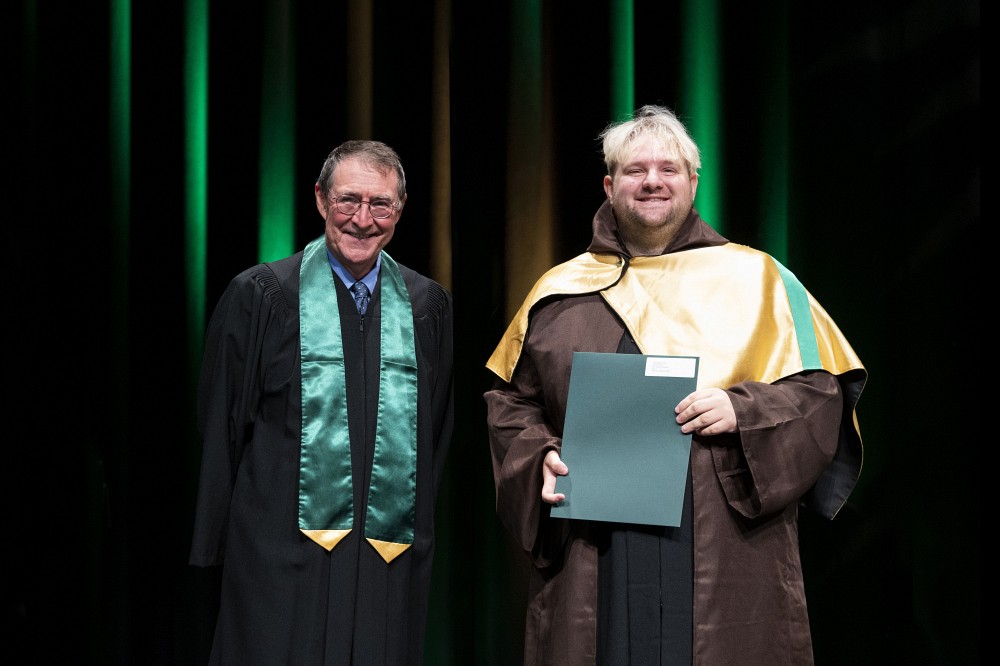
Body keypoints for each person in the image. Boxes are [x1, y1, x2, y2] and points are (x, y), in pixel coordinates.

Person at [484, 105, 867, 664]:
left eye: (669, 169)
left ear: (692, 181)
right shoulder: (560, 292)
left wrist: (744, 411)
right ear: (610, 185)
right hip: (597, 545)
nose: (653, 181)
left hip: (720, 540)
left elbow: (821, 395)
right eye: (636, 170)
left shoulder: (758, 280)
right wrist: (538, 455)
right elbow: (512, 404)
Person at [190, 139, 454, 664]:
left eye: (380, 204)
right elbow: (221, 431)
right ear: (319, 199)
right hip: (277, 558)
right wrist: (212, 551)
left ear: (401, 208)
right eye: (347, 200)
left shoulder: (426, 307)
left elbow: (436, 435)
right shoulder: (262, 297)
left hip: (383, 561)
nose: (363, 219)